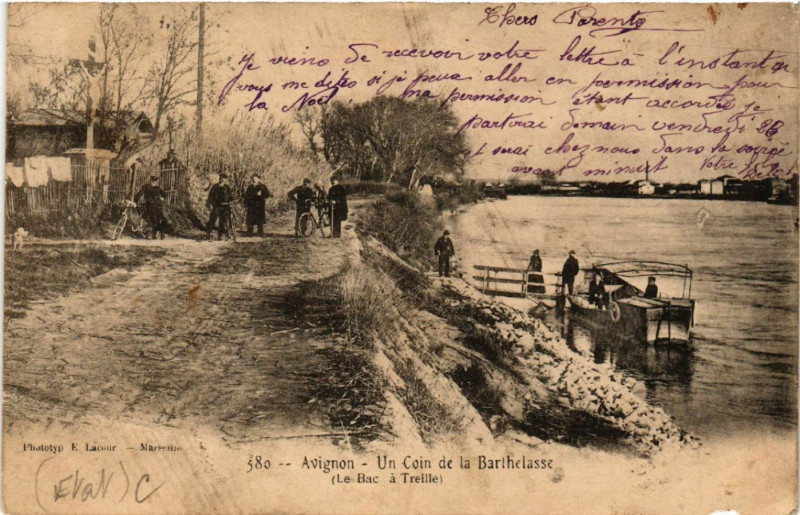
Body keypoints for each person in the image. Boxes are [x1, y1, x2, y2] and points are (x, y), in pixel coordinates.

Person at [135, 175, 167, 240]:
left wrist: (162, 198)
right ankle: (150, 234)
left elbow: (164, 194)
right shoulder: (146, 187)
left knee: (159, 219)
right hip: (150, 205)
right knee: (150, 219)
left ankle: (159, 234)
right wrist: (136, 200)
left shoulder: (157, 188)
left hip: (158, 205)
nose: (154, 182)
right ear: (150, 181)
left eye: (155, 181)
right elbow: (140, 194)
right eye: (153, 181)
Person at [206, 174, 234, 240]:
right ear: (219, 179)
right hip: (216, 205)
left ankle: (220, 235)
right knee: (212, 219)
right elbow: (210, 196)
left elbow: (231, 197)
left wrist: (231, 203)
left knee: (223, 221)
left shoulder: (227, 187)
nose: (222, 181)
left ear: (226, 180)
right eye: (221, 179)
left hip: (225, 206)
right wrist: (209, 204)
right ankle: (208, 234)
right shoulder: (214, 187)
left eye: (224, 180)